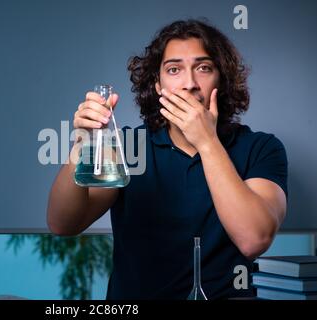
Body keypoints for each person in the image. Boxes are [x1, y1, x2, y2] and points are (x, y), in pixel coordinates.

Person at [47, 19, 288, 300]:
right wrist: (83, 143)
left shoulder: (261, 148)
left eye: (204, 68)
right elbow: (63, 223)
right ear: (158, 85)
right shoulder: (128, 147)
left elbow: (254, 239)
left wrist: (206, 141)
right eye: (174, 70)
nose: (189, 84)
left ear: (221, 80)